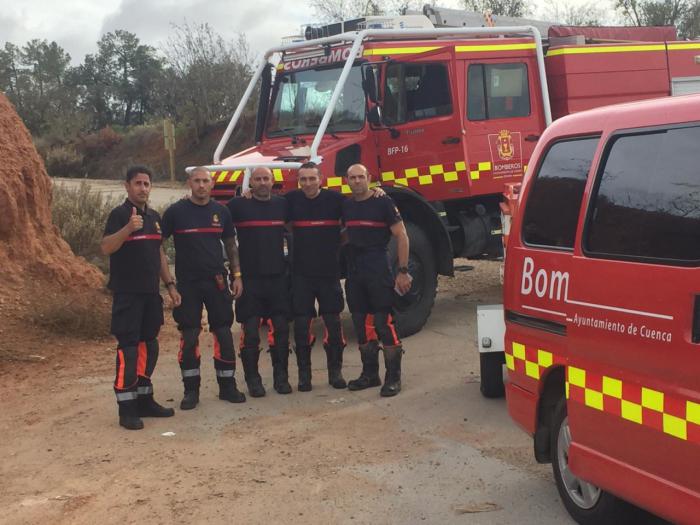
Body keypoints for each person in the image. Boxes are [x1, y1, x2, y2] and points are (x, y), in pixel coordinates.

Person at [101, 165, 181, 430]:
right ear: (127, 186)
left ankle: (145, 399)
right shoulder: (120, 214)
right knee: (129, 349)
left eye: (146, 184)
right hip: (128, 295)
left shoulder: (155, 217)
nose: (143, 188)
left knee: (150, 346)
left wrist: (169, 285)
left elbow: (158, 254)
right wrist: (127, 229)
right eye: (138, 183)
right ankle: (127, 408)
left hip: (150, 295)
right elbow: (105, 247)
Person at [161, 167, 246, 410]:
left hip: (217, 281)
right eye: (197, 181)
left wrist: (237, 276)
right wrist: (170, 283)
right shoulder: (176, 212)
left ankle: (228, 387)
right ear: (189, 183)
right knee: (189, 336)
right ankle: (191, 391)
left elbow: (231, 244)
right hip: (187, 284)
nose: (201, 185)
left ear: (212, 184)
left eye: (205, 181)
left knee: (223, 333)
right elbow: (158, 245)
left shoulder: (221, 211)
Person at [342, 163, 411, 397]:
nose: (357, 181)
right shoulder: (346, 205)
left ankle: (393, 378)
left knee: (384, 323)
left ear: (369, 178)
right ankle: (370, 375)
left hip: (378, 266)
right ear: (347, 180)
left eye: (361, 177)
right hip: (354, 270)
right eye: (352, 177)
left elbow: (402, 236)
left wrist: (403, 270)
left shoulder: (383, 202)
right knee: (361, 323)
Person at [227, 167, 292, 396]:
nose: (263, 182)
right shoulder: (237, 206)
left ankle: (281, 378)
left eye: (266, 178)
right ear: (250, 183)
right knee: (252, 332)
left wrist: (379, 193)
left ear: (273, 181)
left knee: (282, 330)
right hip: (249, 280)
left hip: (278, 278)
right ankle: (253, 380)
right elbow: (215, 220)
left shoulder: (283, 204)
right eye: (258, 179)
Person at [286, 162, 348, 391]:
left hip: (328, 272)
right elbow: (269, 208)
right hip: (301, 273)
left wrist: (378, 191)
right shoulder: (291, 200)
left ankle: (335, 373)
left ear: (321, 178)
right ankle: (304, 376)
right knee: (302, 325)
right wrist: (248, 192)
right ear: (298, 181)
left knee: (333, 322)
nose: (308, 183)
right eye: (303, 179)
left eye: (312, 178)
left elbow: (359, 211)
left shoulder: (336, 200)